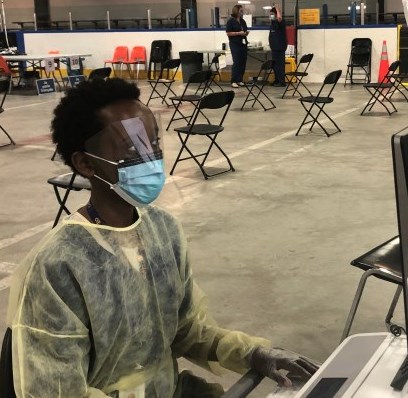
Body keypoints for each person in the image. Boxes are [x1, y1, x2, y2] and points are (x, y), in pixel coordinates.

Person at [7, 78, 318, 397]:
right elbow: (55, 390)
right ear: (85, 163)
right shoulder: (56, 267)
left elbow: (185, 329)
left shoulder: (163, 230)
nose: (151, 159)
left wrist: (252, 353)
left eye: (153, 144)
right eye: (132, 149)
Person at [226, 4, 249, 88]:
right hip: (235, 44)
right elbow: (228, 33)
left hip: (243, 43)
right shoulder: (231, 21)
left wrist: (246, 33)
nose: (242, 12)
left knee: (243, 62)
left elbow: (245, 30)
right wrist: (239, 33)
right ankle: (234, 80)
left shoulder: (242, 21)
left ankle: (240, 79)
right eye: (241, 11)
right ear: (236, 11)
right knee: (237, 62)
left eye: (242, 11)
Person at [269, 4, 288, 87]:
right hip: (274, 47)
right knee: (275, 65)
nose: (270, 16)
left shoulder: (280, 22)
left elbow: (279, 18)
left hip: (279, 47)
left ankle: (281, 81)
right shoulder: (273, 23)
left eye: (272, 14)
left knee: (280, 65)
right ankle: (277, 80)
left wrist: (277, 9)